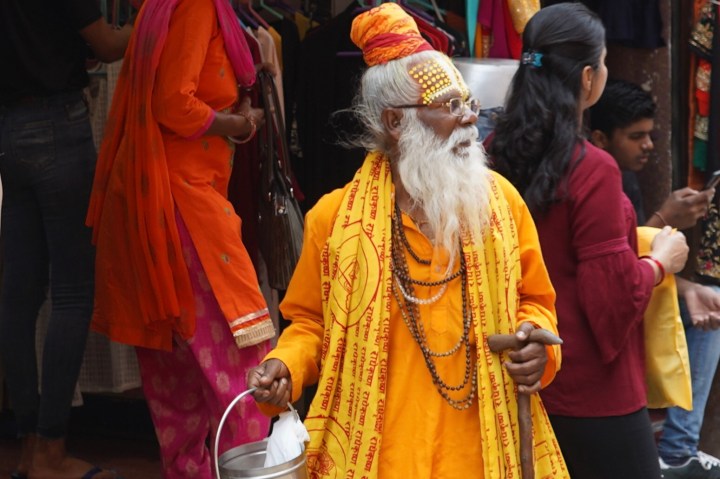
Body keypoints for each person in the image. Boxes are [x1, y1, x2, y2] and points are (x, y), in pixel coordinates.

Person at [246, 4, 569, 478]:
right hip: (379, 459)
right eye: (449, 106)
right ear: (395, 122)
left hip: (482, 455)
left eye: (469, 103)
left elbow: (536, 303)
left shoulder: (502, 204)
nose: (469, 119)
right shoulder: (334, 220)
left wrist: (538, 348)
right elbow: (311, 323)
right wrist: (286, 366)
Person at [489, 4, 690, 479]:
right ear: (587, 78)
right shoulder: (592, 168)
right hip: (594, 391)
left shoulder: (495, 151)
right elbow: (611, 299)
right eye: (603, 63)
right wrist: (659, 263)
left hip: (518, 374)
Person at [85, 0, 277, 476]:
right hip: (185, 206)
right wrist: (237, 123)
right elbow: (174, 102)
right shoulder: (195, 6)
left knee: (176, 374)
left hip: (156, 201)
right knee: (246, 365)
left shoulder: (165, 6)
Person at [0, 1, 131, 477]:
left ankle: (29, 448)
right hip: (59, 126)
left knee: (19, 299)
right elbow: (108, 46)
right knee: (73, 295)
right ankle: (52, 453)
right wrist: (150, 18)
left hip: (9, 130)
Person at [589, 78, 720, 479]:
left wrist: (690, 289)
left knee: (710, 303)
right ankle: (675, 449)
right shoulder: (596, 180)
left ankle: (677, 449)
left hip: (638, 285)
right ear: (600, 138)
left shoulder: (625, 177)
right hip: (604, 311)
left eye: (651, 136)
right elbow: (617, 272)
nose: (647, 146)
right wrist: (664, 218)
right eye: (636, 137)